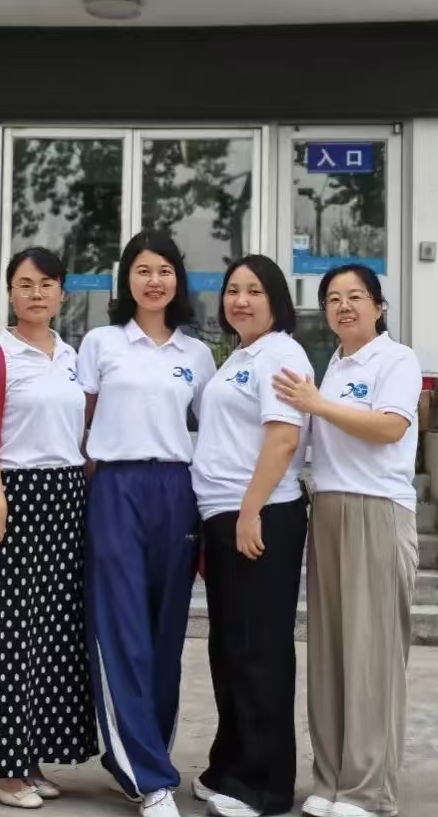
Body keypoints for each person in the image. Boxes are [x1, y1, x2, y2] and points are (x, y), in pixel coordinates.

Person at [273, 265, 422, 817]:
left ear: (379, 307)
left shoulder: (396, 360)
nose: (344, 306)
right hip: (329, 509)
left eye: (356, 296)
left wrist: (316, 404)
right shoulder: (332, 366)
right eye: (333, 298)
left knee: (371, 654)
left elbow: (389, 427)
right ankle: (331, 778)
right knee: (331, 651)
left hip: (377, 509)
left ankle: (367, 789)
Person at [77, 231, 216, 817]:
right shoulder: (101, 343)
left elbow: (216, 430)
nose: (153, 280)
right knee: (122, 630)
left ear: (177, 280)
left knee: (165, 632)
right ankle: (153, 777)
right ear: (126, 279)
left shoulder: (197, 354)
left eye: (163, 270)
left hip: (177, 492)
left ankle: (142, 755)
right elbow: (79, 424)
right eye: (142, 269)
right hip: (116, 488)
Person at [0, 247, 98, 810]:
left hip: (68, 497)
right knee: (13, 632)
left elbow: (84, 434)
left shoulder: (72, 356)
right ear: (10, 293)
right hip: (18, 495)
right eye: (25, 284)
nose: (36, 293)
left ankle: (30, 756)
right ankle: (0, 764)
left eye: (46, 284)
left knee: (55, 634)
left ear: (62, 292)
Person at [189, 255, 313, 817]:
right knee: (230, 647)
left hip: (261, 515)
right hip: (224, 513)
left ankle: (264, 786)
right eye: (233, 290)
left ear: (276, 300)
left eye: (254, 290)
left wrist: (249, 510)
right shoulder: (241, 355)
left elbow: (283, 439)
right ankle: (230, 765)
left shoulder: (282, 353)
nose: (240, 300)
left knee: (260, 649)